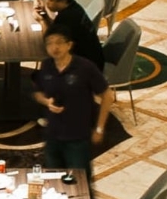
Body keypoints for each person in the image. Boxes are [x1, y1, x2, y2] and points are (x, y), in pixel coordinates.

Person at [30, 24, 115, 172]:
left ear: (69, 45)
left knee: (79, 178)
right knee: (54, 176)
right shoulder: (47, 65)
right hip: (53, 134)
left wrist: (99, 128)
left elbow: (107, 96)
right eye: (50, 43)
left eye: (59, 42)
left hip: (77, 136)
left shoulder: (85, 67)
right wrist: (46, 102)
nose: (54, 47)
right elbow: (38, 93)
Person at [37, 0, 102, 66]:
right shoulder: (74, 6)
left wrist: (41, 21)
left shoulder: (67, 17)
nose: (47, 3)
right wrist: (45, 16)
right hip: (92, 58)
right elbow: (55, 29)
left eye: (51, 0)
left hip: (84, 66)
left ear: (63, 1)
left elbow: (50, 42)